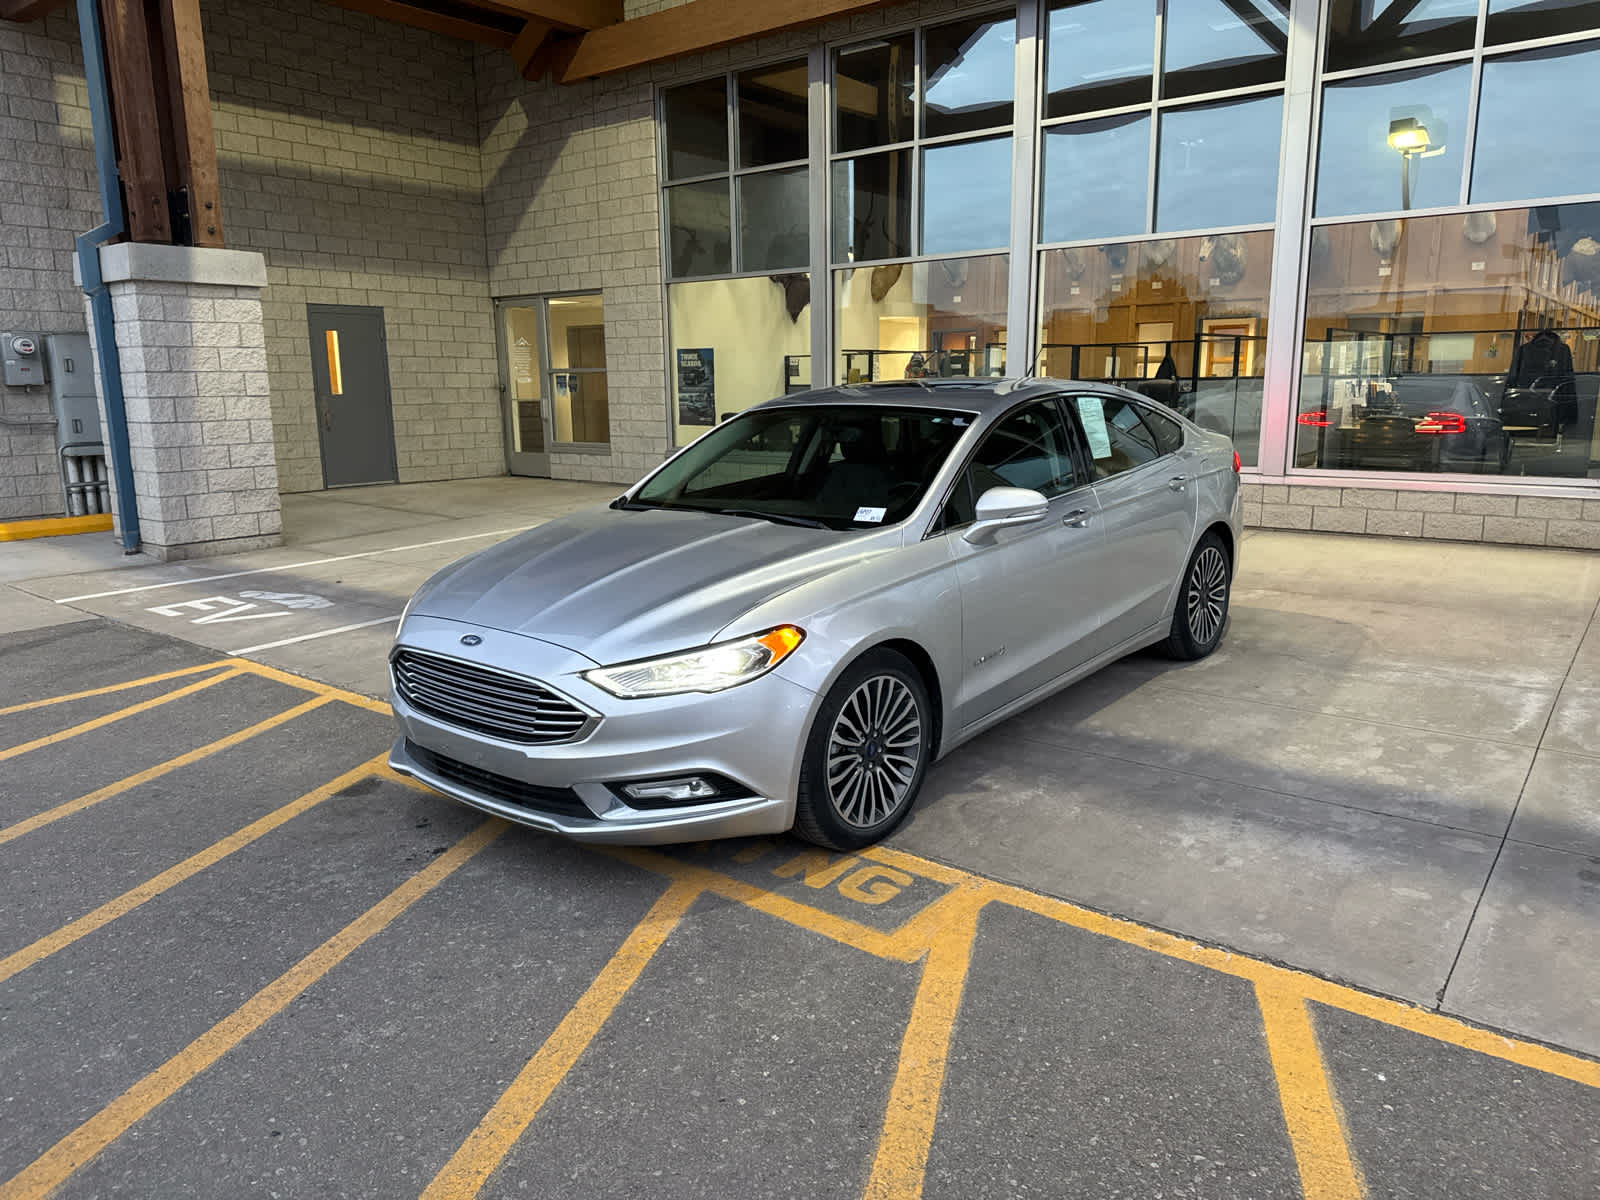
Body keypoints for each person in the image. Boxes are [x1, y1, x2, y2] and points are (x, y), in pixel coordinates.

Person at [1505, 327, 1577, 447]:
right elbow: (1567, 378)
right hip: (1552, 400)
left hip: (1524, 400)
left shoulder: (1524, 349)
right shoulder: (1563, 350)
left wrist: (1508, 397)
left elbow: (1512, 377)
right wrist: (1570, 412)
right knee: (1547, 433)